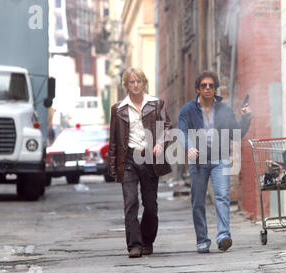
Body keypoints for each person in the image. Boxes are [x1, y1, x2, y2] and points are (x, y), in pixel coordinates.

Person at [178, 71, 252, 253]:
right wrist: (189, 147)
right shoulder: (188, 110)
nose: (208, 88)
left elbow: (236, 133)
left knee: (222, 196)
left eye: (211, 85)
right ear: (198, 89)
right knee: (198, 201)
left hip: (220, 158)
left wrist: (245, 118)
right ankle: (202, 239)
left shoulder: (224, 110)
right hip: (198, 160)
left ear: (215, 88)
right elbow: (182, 132)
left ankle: (223, 236)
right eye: (204, 85)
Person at [107, 67, 172, 258]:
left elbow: (167, 127)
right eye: (131, 82)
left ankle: (147, 240)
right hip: (128, 159)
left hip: (149, 158)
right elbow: (113, 140)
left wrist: (160, 142)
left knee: (150, 205)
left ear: (144, 83)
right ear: (126, 85)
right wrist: (113, 168)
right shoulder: (118, 109)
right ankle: (134, 245)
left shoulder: (156, 104)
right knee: (131, 202)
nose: (135, 85)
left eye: (138, 81)